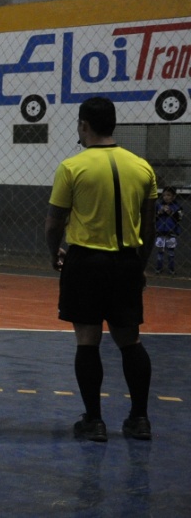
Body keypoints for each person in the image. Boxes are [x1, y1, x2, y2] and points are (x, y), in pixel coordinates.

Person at [45, 96, 157, 442]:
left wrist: (54, 253)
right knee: (130, 340)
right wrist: (138, 266)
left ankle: (94, 422)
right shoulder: (142, 167)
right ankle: (139, 419)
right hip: (126, 262)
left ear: (84, 125)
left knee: (87, 341)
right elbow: (149, 228)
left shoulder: (72, 167)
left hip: (85, 262)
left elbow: (54, 222)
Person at [154, 185, 183, 275]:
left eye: (168, 195)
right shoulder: (159, 205)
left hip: (171, 233)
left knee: (171, 253)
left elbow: (179, 218)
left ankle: (171, 269)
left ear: (173, 196)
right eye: (164, 195)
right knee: (160, 253)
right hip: (160, 232)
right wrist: (160, 212)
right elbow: (154, 218)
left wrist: (171, 212)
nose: (166, 197)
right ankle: (159, 269)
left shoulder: (177, 207)